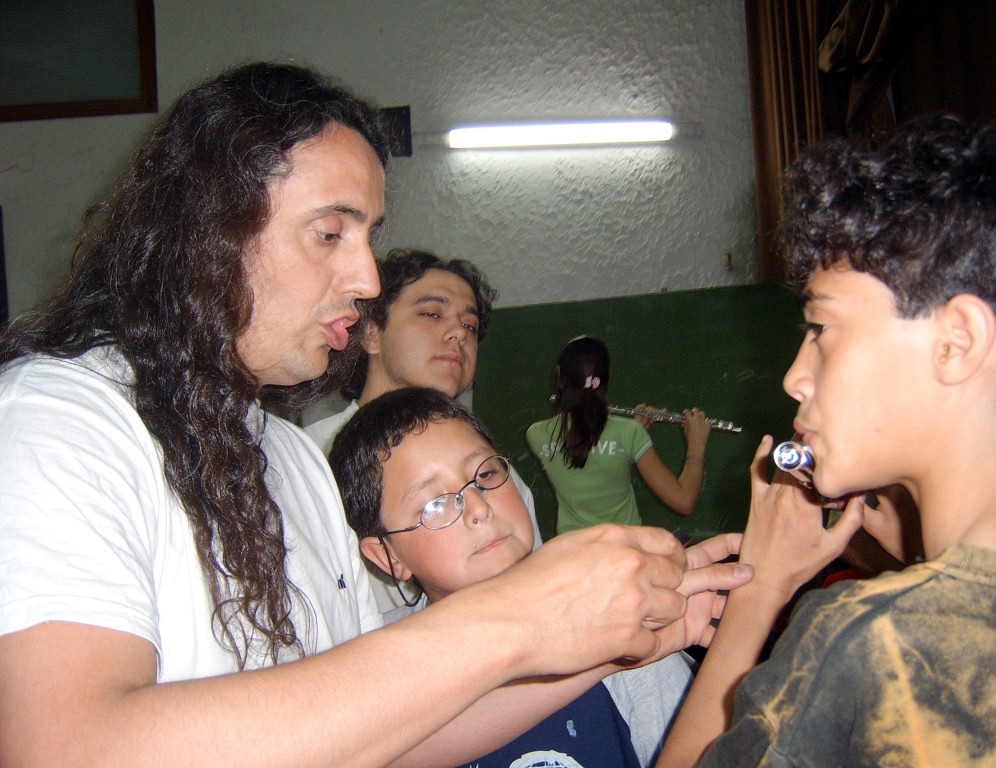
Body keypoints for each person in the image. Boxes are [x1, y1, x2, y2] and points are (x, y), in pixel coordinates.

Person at [0, 61, 754, 768]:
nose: (364, 279)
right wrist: (519, 616)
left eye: (368, 239)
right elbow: (66, 747)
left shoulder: (287, 457)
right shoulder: (62, 421)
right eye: (330, 233)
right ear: (208, 231)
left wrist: (606, 641)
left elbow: (387, 733)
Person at [656, 114, 996, 767]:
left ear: (957, 342)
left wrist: (760, 587)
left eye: (821, 328)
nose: (797, 377)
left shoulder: (867, 643)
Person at [332, 386, 698, 766]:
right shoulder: (368, 676)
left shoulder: (620, 622)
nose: (478, 507)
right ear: (387, 554)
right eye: (434, 503)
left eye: (485, 473)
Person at [304, 247, 542, 614]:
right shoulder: (306, 462)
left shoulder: (500, 482)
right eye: (431, 313)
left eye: (470, 325)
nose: (458, 334)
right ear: (370, 334)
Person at [527, 335, 711, 534]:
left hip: (574, 554)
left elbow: (584, 445)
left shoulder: (536, 435)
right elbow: (683, 501)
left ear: (558, 374)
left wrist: (628, 435)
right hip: (625, 552)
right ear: (607, 377)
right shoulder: (627, 433)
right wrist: (696, 444)